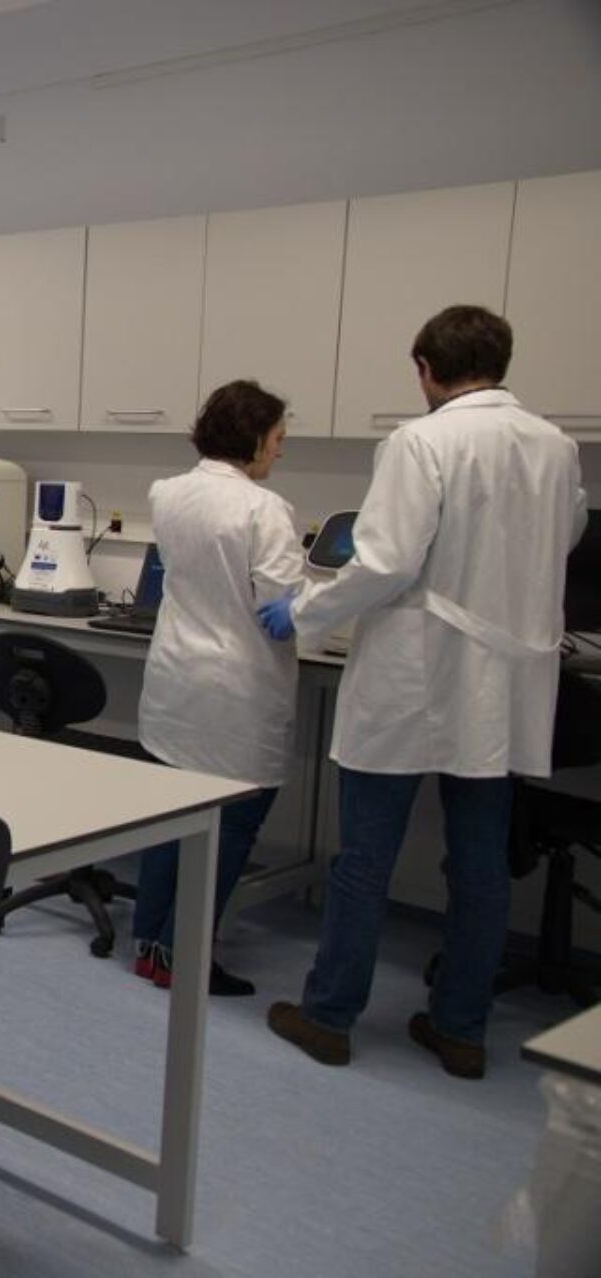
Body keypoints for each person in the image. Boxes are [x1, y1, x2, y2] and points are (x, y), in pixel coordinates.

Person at [260, 305, 587, 1079]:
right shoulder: (556, 447)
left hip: (416, 672)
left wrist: (302, 611)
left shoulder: (422, 441)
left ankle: (328, 1017)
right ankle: (461, 1031)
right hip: (503, 684)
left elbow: (385, 562)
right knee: (479, 865)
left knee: (365, 858)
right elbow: (564, 535)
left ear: (425, 369)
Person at [131, 380, 305, 997]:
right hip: (236, 688)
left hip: (177, 677)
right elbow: (280, 608)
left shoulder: (168, 492)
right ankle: (185, 958)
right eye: (277, 438)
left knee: (169, 819)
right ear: (254, 437)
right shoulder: (264, 509)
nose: (280, 450)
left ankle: (149, 947)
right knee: (231, 829)